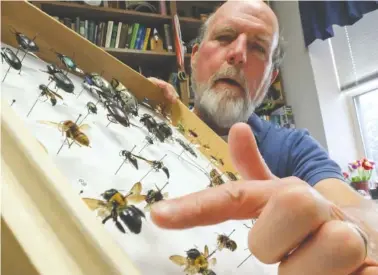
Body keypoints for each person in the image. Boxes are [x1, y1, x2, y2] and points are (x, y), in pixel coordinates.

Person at [148, 0, 378, 274]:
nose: (238, 54)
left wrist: (363, 234)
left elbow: (354, 206)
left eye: (257, 48)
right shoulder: (154, 118)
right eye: (224, 37)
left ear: (271, 79)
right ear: (194, 57)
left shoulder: (295, 148)